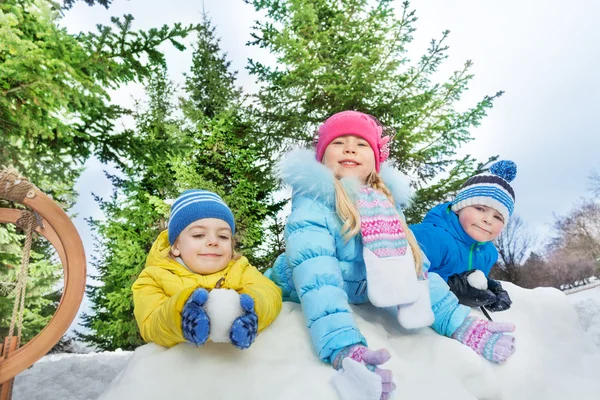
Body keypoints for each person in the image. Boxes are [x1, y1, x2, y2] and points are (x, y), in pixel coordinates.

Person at [267, 111, 516, 400]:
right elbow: (317, 278)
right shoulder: (314, 203)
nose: (350, 148)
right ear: (322, 157)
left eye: (361, 144)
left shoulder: (383, 203)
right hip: (295, 287)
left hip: (357, 287)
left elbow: (415, 269)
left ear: (375, 159)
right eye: (339, 142)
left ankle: (464, 328)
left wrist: (458, 321)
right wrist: (343, 348)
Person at [132, 189, 282, 350]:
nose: (213, 241)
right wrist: (183, 315)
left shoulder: (241, 269)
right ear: (176, 246)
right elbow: (151, 322)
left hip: (236, 367)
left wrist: (252, 311)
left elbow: (269, 293)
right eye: (198, 235)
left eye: (223, 236)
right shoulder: (153, 278)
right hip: (183, 368)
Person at [410, 161, 517, 312]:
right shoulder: (431, 238)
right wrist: (452, 287)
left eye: (498, 217)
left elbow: (468, 278)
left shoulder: (488, 253)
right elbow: (400, 276)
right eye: (480, 208)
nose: (488, 220)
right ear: (459, 207)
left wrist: (489, 288)